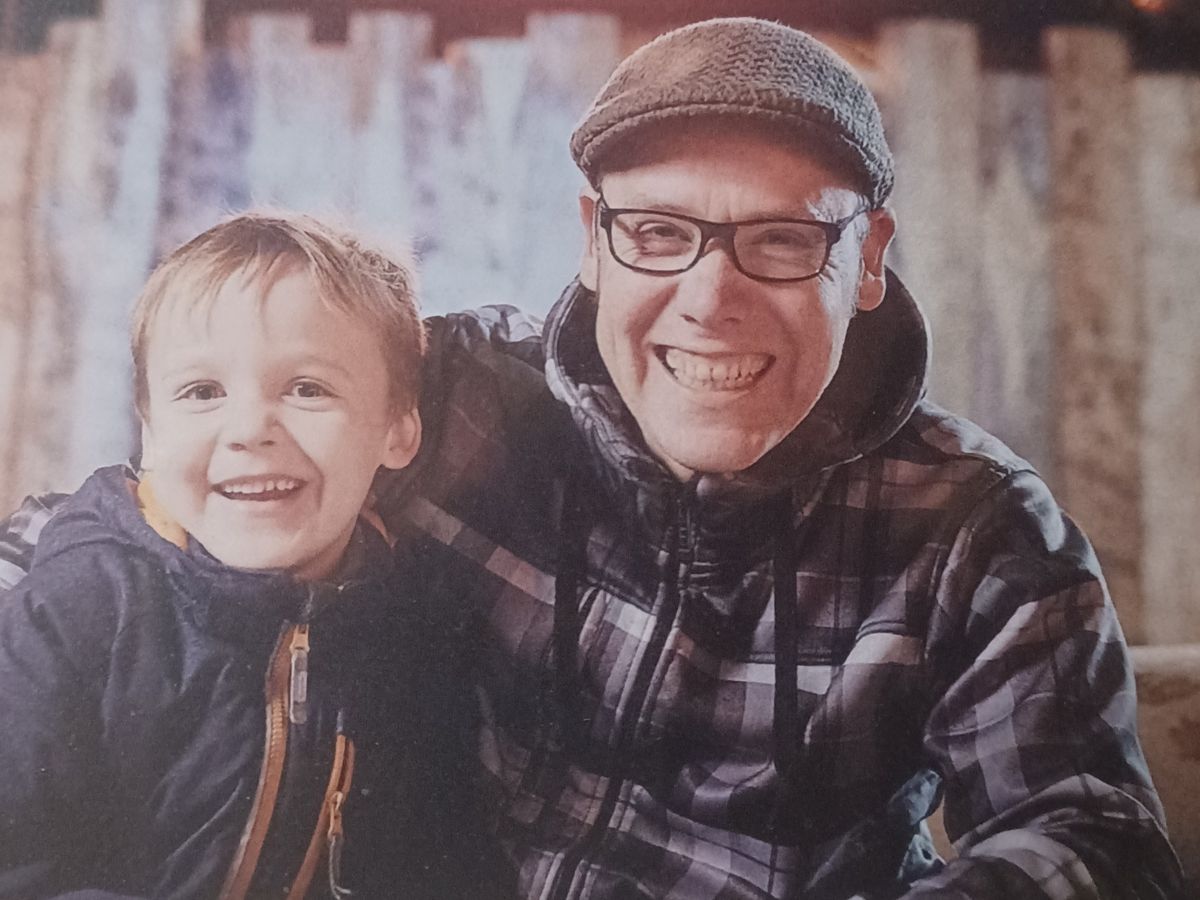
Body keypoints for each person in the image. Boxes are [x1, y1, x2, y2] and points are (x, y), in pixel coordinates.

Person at [1, 17, 1185, 900]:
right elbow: (144, 521)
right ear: (593, 240)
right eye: (658, 232)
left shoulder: (977, 528)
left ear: (867, 258)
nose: (709, 299)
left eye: (781, 241)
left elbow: (1089, 837)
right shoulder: (456, 397)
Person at [0, 212, 498, 899]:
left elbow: (434, 863)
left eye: (306, 389)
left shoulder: (409, 632)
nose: (248, 430)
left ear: (397, 429)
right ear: (151, 430)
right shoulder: (81, 599)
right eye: (202, 393)